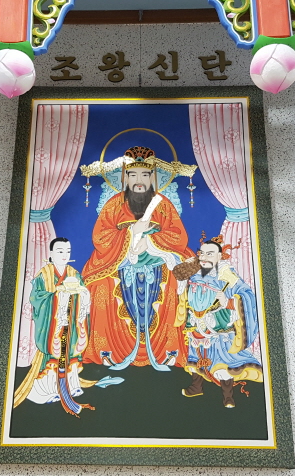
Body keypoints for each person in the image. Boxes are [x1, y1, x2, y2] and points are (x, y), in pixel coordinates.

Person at [81, 146, 194, 371]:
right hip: (118, 261)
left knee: (175, 282)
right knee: (101, 286)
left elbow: (179, 236)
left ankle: (169, 350)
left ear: (152, 177)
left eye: (144, 175)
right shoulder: (114, 204)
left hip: (158, 260)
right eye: (133, 175)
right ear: (125, 177)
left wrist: (151, 241)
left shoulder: (163, 204)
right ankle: (107, 350)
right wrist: (131, 233)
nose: (139, 181)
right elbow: (100, 237)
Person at [178, 237, 263, 408]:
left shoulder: (226, 274)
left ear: (219, 256)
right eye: (202, 253)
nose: (204, 257)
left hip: (218, 323)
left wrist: (228, 302)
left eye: (210, 254)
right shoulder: (193, 271)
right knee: (196, 357)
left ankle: (228, 396)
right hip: (196, 321)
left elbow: (247, 295)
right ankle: (196, 387)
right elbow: (179, 280)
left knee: (222, 360)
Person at [13, 237, 93, 416]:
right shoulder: (44, 275)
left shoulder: (73, 273)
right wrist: (57, 297)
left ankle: (71, 385)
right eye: (60, 251)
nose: (64, 255)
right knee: (53, 356)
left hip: (71, 323)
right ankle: (47, 391)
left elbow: (82, 292)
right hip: (53, 324)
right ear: (51, 253)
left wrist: (82, 294)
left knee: (71, 352)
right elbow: (37, 298)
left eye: (67, 251)